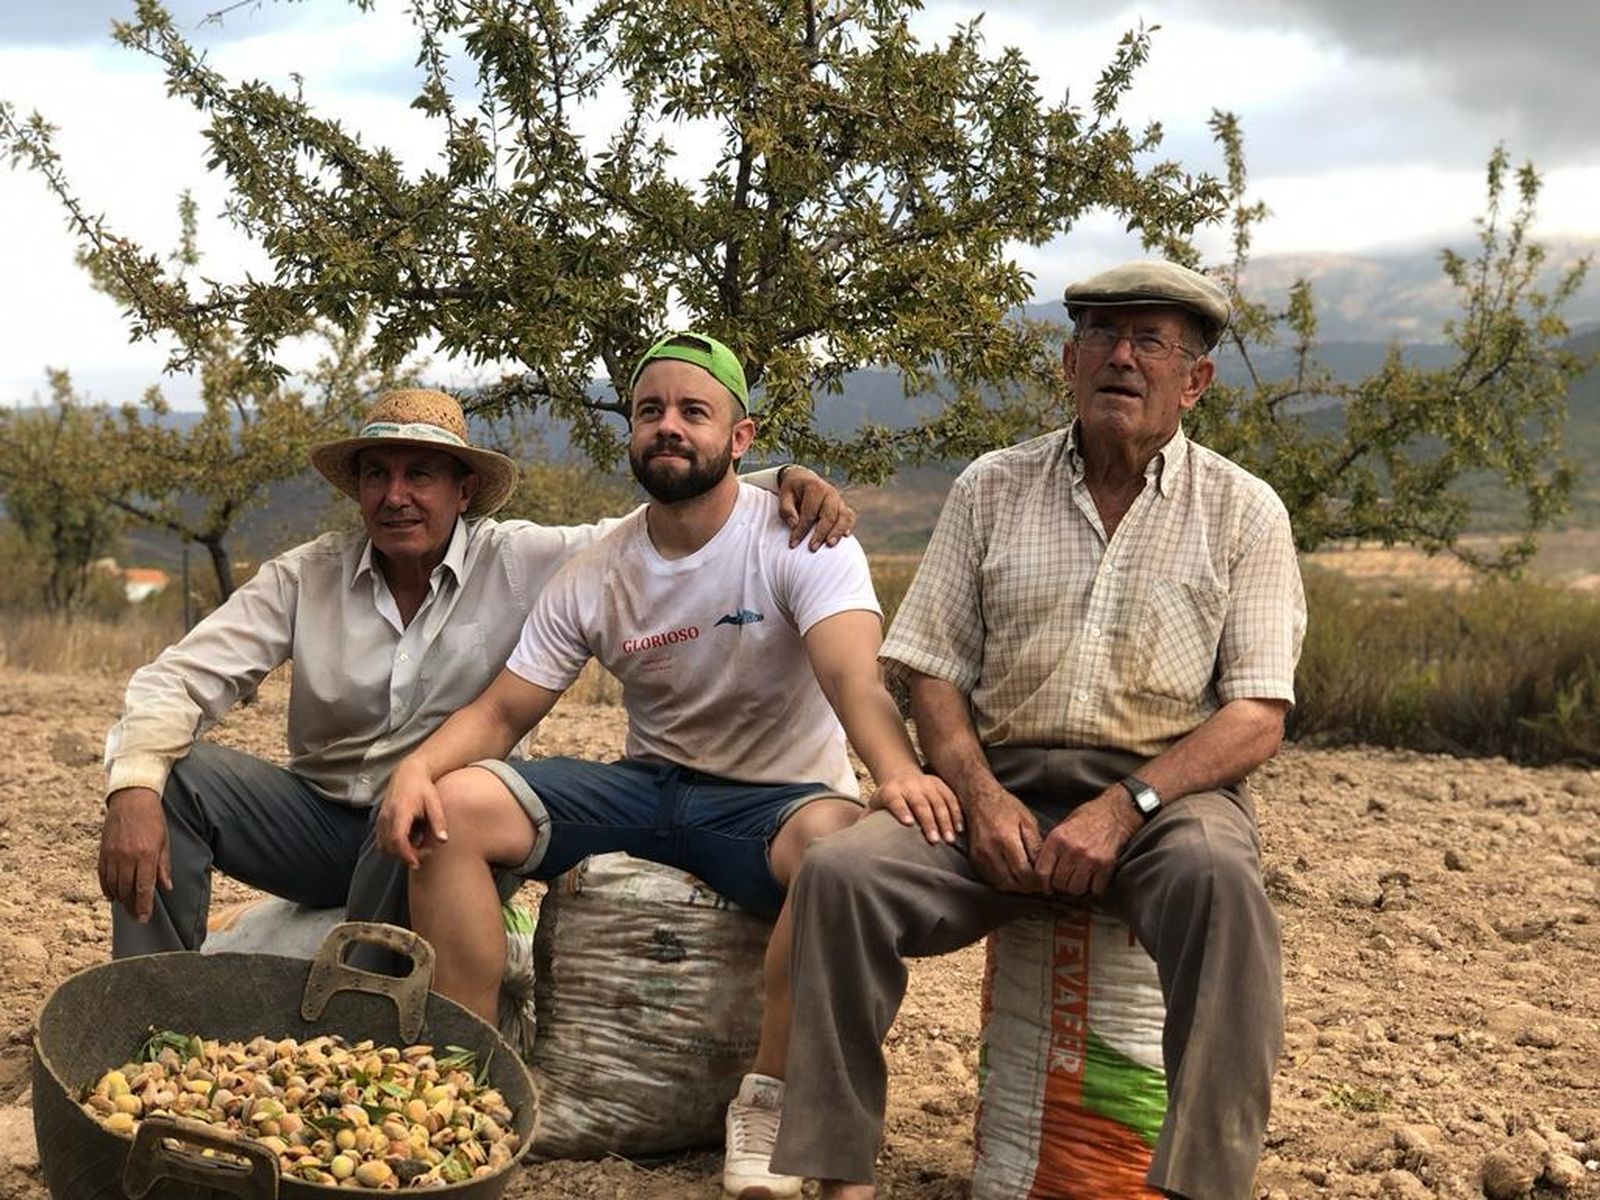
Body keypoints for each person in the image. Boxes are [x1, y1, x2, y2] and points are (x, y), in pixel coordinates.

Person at [376, 332, 961, 1200]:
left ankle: (767, 1099)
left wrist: (896, 770)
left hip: (775, 803)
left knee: (839, 853)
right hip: (649, 791)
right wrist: (416, 770)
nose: (669, 427)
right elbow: (504, 710)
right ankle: (466, 1069)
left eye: (694, 411)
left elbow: (850, 673)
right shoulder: (597, 569)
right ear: (633, 434)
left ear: (741, 436)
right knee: (452, 808)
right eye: (651, 411)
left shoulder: (801, 539)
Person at [768, 261, 1308, 1200]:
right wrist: (976, 794)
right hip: (1000, 781)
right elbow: (932, 668)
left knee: (1223, 884)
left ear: (1198, 380)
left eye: (1153, 342)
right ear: (1068, 360)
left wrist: (1126, 805)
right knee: (841, 875)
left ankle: (1201, 1187)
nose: (1123, 359)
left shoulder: (1244, 510)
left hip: (1161, 799)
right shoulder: (992, 487)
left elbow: (1256, 714)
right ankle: (837, 1171)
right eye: (1103, 335)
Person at [97, 385, 853, 960]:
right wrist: (133, 787)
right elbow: (176, 678)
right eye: (377, 475)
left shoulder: (525, 560)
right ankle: (149, 1008)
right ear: (357, 491)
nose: (396, 496)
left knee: (436, 809)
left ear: (463, 493)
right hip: (319, 821)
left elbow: (663, 517)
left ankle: (354, 1010)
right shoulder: (304, 577)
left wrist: (779, 479)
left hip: (433, 829)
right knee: (174, 779)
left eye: (420, 474)